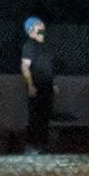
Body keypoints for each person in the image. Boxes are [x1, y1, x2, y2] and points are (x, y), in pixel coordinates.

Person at [19, 16, 57, 153]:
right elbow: (25, 67)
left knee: (45, 117)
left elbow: (48, 68)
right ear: (31, 31)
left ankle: (42, 145)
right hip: (36, 86)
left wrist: (52, 84)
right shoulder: (30, 46)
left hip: (47, 86)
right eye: (37, 24)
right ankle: (32, 146)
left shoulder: (46, 46)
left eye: (41, 23)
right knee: (35, 117)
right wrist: (30, 85)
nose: (41, 25)